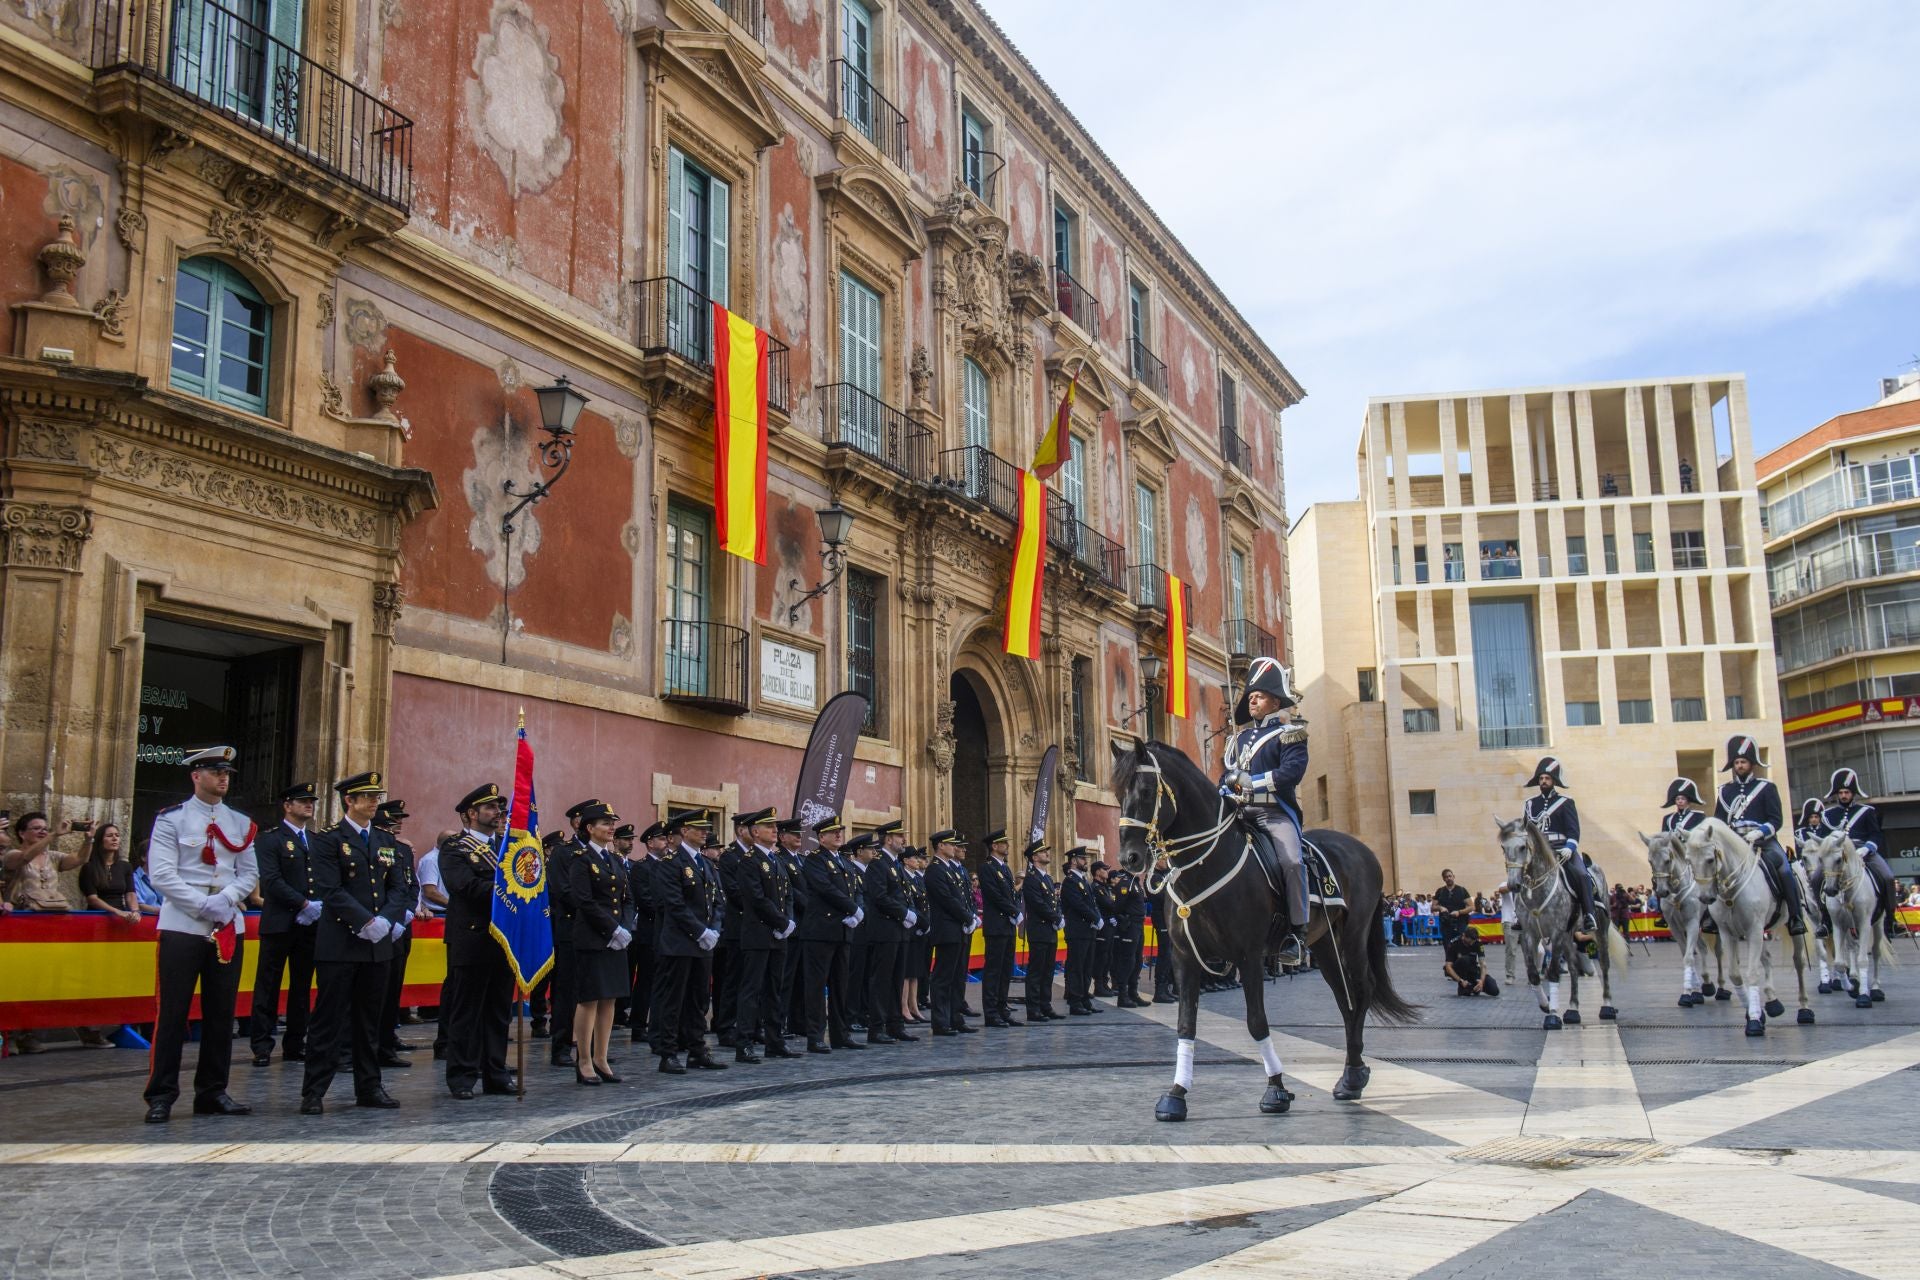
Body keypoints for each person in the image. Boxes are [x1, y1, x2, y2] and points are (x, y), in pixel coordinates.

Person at [141, 746, 258, 1123]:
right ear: (196, 776)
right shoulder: (172, 820)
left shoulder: (240, 822)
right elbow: (161, 874)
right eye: (214, 771)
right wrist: (200, 904)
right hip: (183, 924)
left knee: (221, 1013)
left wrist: (225, 899)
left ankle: (213, 1090)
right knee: (173, 1013)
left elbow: (249, 873)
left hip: (226, 924)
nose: (223, 777)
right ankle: (161, 1094)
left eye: (226, 772)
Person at [300, 770, 410, 1115]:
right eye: (368, 797)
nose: (375, 802)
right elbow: (329, 889)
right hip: (341, 943)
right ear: (350, 800)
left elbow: (398, 887)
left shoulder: (383, 840)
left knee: (370, 1020)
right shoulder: (329, 840)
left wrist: (387, 920)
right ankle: (314, 1090)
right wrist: (365, 921)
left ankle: (369, 1086)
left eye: (377, 796)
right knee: (328, 1019)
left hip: (377, 945)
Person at [1219, 657, 1309, 966]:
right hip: (1240, 815)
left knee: (1293, 862)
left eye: (1258, 696)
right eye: (1251, 697)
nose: (1252, 701)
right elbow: (1226, 775)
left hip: (1273, 814)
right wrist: (1226, 786)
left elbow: (1290, 774)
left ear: (1274, 701)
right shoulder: (1238, 739)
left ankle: (1297, 933)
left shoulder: (1290, 733)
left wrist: (1251, 782)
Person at [438, 783, 519, 1100]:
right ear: (471, 814)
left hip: (502, 940)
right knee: (466, 1011)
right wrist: (507, 892)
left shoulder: (509, 848)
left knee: (499, 1011)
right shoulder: (455, 848)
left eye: (498, 807)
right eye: (488, 808)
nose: (496, 812)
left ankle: (495, 1072)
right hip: (472, 937)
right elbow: (464, 886)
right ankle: (462, 1075)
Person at [649, 809, 728, 1073]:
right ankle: (668, 1053)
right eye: (699, 828)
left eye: (706, 828)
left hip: (703, 944)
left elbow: (718, 901)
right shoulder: (670, 862)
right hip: (680, 942)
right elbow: (674, 904)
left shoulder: (705, 864)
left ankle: (697, 1049)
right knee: (674, 1000)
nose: (705, 832)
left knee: (699, 999)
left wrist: (714, 929)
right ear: (684, 832)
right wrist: (700, 931)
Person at [250, 782, 321, 1067]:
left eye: (311, 801)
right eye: (302, 801)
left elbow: (323, 877)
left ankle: (295, 1041)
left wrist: (318, 905)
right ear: (287, 805)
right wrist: (302, 904)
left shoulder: (316, 841)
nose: (309, 805)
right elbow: (271, 880)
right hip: (280, 921)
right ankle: (262, 1044)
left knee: (302, 986)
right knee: (268, 984)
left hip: (310, 924)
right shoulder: (270, 840)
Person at [566, 800, 632, 1086]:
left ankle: (602, 1057)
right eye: (605, 823)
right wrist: (612, 929)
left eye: (612, 823)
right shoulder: (581, 859)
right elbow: (583, 900)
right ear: (589, 828)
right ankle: (583, 1060)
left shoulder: (614, 859)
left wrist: (625, 928)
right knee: (589, 999)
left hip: (616, 939)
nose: (611, 828)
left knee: (610, 999)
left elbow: (627, 898)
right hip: (593, 937)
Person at [1714, 735, 1806, 936]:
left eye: (1743, 762)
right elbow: (1719, 822)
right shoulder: (1724, 792)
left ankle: (1795, 916)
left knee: (1784, 869)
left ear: (1751, 764)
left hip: (1764, 842)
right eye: (1737, 762)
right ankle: (1710, 917)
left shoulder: (1766, 787)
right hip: (1735, 843)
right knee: (1712, 868)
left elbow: (1776, 819)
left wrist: (1761, 832)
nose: (1740, 765)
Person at [797, 813, 864, 1054]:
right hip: (821, 931)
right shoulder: (814, 860)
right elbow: (824, 888)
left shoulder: (845, 862)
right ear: (821, 837)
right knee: (816, 987)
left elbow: (856, 889)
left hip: (843, 930)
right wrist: (852, 908)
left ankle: (840, 1034)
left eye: (840, 831)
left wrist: (858, 909)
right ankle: (815, 1036)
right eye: (833, 832)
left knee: (840, 985)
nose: (839, 835)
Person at [1823, 767, 1906, 938]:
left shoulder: (1867, 811)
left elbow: (1876, 835)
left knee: (1888, 877)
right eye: (1841, 792)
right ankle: (1825, 921)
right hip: (1837, 854)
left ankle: (1891, 920)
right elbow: (1825, 838)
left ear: (1853, 793)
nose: (1844, 795)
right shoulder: (1828, 815)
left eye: (1847, 792)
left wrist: (1866, 848)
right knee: (1817, 877)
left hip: (1863, 851)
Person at [1522, 757, 1597, 935]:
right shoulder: (1530, 804)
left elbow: (1573, 830)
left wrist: (1570, 847)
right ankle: (1521, 915)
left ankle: (1589, 915)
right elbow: (1526, 831)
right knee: (1520, 875)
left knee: (1581, 874)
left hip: (1562, 848)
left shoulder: (1565, 802)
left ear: (1554, 780)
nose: (1543, 781)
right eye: (1541, 779)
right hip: (1539, 852)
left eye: (1547, 778)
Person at [372, 798, 419, 1068]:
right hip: (378, 926)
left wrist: (408, 913)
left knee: (393, 989)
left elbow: (409, 886)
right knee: (374, 991)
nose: (398, 825)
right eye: (392, 822)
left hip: (401, 927)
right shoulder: (377, 848)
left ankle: (387, 1041)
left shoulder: (402, 850)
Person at [925, 829, 977, 1035]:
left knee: (957, 977)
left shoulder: (950, 869)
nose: (954, 847)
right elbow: (947, 899)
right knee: (943, 977)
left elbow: (962, 898)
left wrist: (969, 917)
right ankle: (940, 1021)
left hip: (958, 928)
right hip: (947, 929)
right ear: (940, 846)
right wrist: (967, 917)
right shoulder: (935, 870)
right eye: (950, 844)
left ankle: (955, 1017)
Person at [623, 822, 663, 1046]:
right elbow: (645, 900)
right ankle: (638, 1025)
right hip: (649, 932)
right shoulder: (642, 868)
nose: (666, 842)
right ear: (650, 843)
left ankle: (656, 1023)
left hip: (665, 932)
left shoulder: (667, 866)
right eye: (661, 838)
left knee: (660, 981)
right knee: (646, 981)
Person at [976, 829, 1022, 1025]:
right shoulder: (987, 868)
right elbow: (994, 895)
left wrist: (1014, 911)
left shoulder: (1005, 868)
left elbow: (1010, 894)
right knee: (993, 971)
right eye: (1003, 843)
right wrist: (1013, 911)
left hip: (1008, 926)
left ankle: (1002, 1007)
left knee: (1005, 970)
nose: (1007, 845)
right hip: (997, 926)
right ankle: (991, 1012)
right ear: (994, 846)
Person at [771, 818, 810, 1040]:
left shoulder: (802, 860)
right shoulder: (781, 860)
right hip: (792, 926)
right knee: (785, 979)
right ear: (782, 837)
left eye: (800, 833)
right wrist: (811, 906)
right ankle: (781, 1021)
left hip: (806, 927)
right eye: (794, 834)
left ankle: (799, 1021)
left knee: (801, 978)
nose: (799, 837)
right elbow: (792, 893)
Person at [7, 811, 90, 911]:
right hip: (19, 915)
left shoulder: (53, 856)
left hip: (50, 915)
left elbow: (81, 858)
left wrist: (89, 840)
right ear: (22, 833)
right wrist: (54, 834)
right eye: (37, 828)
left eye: (45, 829)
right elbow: (25, 858)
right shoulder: (12, 855)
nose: (43, 832)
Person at [1021, 841, 1061, 1019]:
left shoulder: (1047, 878)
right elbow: (1038, 904)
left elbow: (1054, 902)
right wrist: (1055, 917)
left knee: (1048, 970)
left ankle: (1046, 1004)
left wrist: (1057, 916)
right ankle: (1033, 1008)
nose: (1046, 854)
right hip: (1039, 930)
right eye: (1043, 852)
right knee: (1036, 971)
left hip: (1050, 930)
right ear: (1034, 857)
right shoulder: (1031, 879)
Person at [1060, 846, 1103, 1014]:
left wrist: (1097, 917)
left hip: (1088, 930)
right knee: (1076, 967)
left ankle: (1084, 997)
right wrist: (1095, 918)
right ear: (1074, 861)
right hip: (1077, 930)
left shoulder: (1083, 880)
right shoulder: (1070, 881)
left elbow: (1091, 903)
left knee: (1086, 967)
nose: (1086, 861)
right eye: (1083, 858)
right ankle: (1075, 1000)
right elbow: (1078, 904)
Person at [80, 822, 140, 924]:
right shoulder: (89, 867)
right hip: (96, 918)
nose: (115, 838)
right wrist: (117, 912)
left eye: (117, 835)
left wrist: (135, 911)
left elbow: (130, 893)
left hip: (121, 919)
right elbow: (92, 899)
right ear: (100, 840)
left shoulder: (125, 866)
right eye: (109, 836)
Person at [901, 844, 932, 1025]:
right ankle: (904, 1006)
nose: (918, 861)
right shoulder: (904, 877)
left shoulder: (918, 879)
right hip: (911, 927)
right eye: (914, 858)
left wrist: (926, 924)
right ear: (906, 860)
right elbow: (911, 904)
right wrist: (922, 922)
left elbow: (925, 903)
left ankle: (914, 1005)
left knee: (916, 971)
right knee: (907, 971)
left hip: (921, 929)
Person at [1108, 863, 1147, 1006]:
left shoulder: (1134, 882)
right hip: (1130, 925)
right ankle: (1122, 995)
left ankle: (1133, 993)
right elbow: (1118, 906)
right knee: (1127, 961)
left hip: (1138, 924)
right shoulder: (1125, 883)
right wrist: (1123, 918)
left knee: (1137, 960)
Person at [1445, 929, 1499, 997]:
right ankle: (1464, 986)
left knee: (1494, 990)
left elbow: (1483, 964)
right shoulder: (1454, 943)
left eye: (1473, 942)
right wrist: (1460, 980)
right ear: (1464, 936)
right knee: (1465, 959)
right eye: (1469, 942)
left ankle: (1474, 986)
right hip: (1458, 970)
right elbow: (1448, 967)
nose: (1471, 944)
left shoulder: (1478, 943)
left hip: (1473, 969)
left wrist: (1481, 981)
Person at [1091, 860, 1117, 998]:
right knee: (1101, 956)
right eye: (1104, 869)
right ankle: (1099, 985)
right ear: (1097, 872)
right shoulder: (1096, 887)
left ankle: (1105, 983)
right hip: (1102, 926)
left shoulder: (1105, 887)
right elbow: (1108, 903)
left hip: (1109, 925)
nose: (1107, 871)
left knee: (1108, 956)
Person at [1433, 868, 1471, 952]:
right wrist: (1440, 908)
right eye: (1446, 877)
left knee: (1462, 948)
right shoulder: (1440, 891)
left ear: (1454, 877)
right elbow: (1433, 907)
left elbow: (1471, 907)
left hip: (1460, 923)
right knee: (1448, 949)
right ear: (1443, 879)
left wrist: (1459, 912)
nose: (1448, 878)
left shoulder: (1462, 890)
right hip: (1446, 924)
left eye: (1450, 876)